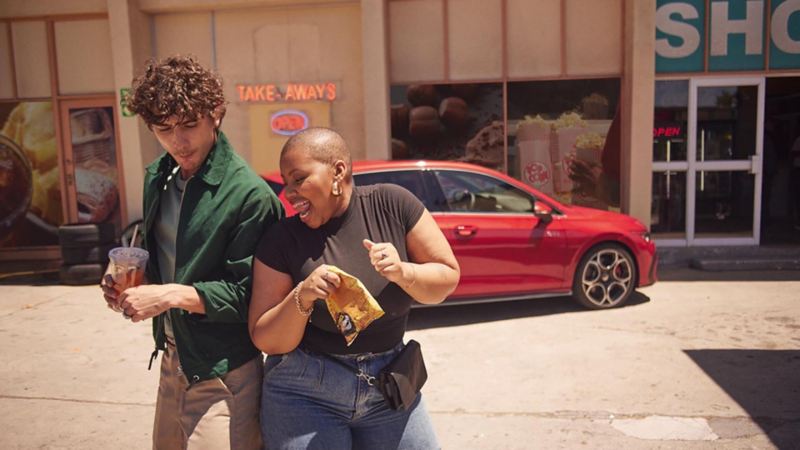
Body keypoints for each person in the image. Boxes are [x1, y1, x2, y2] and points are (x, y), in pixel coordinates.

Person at [101, 55, 283, 449]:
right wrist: (134, 285)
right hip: (172, 359)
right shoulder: (158, 177)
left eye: (189, 125)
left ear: (215, 114)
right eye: (164, 129)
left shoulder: (250, 196)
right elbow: (166, 261)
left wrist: (165, 295)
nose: (178, 142)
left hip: (224, 371)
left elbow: (251, 297)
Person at [249, 127, 460, 449]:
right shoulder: (282, 238)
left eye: (299, 178)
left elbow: (446, 279)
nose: (289, 193)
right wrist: (302, 296)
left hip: (389, 385)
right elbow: (267, 339)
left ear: (338, 171)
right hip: (303, 391)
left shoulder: (392, 203)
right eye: (286, 182)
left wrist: (404, 272)